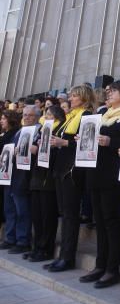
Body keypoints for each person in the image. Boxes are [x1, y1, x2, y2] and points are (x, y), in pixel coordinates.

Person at [80, 81, 120, 288]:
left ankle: (112, 268)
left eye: (112, 90)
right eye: (107, 91)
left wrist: (111, 142)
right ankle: (100, 264)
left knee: (113, 222)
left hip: (113, 177)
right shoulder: (102, 116)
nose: (108, 94)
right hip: (96, 175)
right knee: (100, 221)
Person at [46, 85, 95, 272]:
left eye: (75, 96)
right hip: (61, 169)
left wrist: (63, 142)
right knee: (65, 215)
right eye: (71, 95)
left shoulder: (86, 116)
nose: (71, 99)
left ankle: (68, 258)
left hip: (73, 171)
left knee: (70, 215)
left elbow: (86, 145)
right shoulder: (71, 117)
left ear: (84, 98)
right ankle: (62, 256)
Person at [27, 105, 65, 262]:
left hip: (49, 179)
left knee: (47, 216)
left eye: (49, 115)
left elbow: (58, 154)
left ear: (57, 117)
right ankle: (37, 247)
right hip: (37, 176)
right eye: (46, 114)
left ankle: (46, 249)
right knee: (36, 215)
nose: (46, 117)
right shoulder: (42, 130)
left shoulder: (59, 131)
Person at [5, 105, 41, 254]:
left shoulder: (39, 131)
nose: (26, 117)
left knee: (23, 211)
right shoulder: (20, 130)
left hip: (26, 176)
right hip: (14, 173)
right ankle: (11, 238)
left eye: (30, 115)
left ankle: (23, 241)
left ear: (37, 117)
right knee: (11, 209)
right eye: (25, 115)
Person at [0, 110, 22, 249]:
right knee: (8, 208)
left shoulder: (14, 134)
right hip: (4, 174)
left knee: (13, 208)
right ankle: (9, 237)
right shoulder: (5, 133)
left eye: (4, 118)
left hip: (12, 174)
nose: (1, 121)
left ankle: (13, 238)